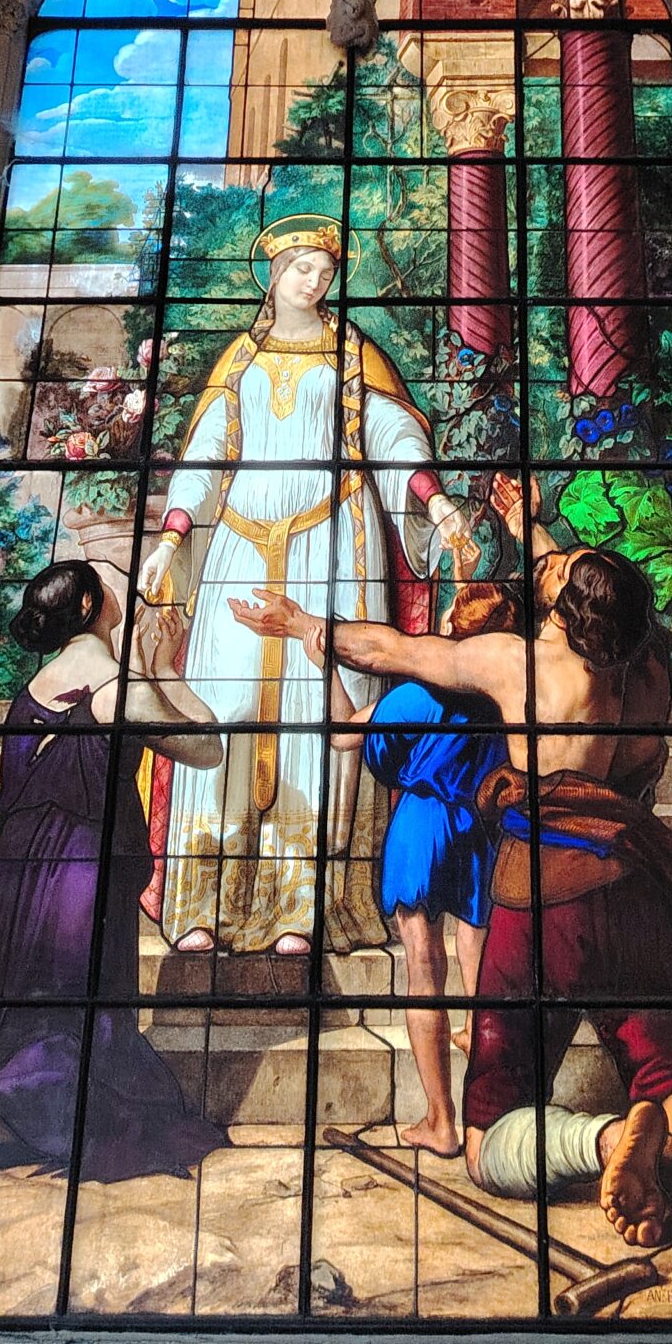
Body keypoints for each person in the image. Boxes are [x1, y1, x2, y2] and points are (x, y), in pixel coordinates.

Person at [230, 541, 672, 1275]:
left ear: (564, 606)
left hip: (546, 895)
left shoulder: (516, 663)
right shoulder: (646, 675)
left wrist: (304, 626)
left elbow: (392, 650)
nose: (547, 560)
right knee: (670, 1077)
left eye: (558, 564)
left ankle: (605, 1141)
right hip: (634, 891)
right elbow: (595, 587)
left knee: (487, 1141)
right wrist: (537, 533)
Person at [135, 216, 475, 958]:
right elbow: (205, 458)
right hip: (238, 550)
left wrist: (436, 500)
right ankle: (207, 902)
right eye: (301, 268)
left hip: (332, 547)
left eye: (324, 271)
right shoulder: (239, 359)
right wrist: (171, 539)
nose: (315, 281)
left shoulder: (353, 355)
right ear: (273, 272)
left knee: (315, 718)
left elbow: (393, 439)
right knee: (221, 707)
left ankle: (304, 907)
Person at [0, 561, 224, 1199]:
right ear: (88, 606)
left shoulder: (33, 689)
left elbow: (12, 800)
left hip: (6, 881)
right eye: (114, 584)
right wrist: (163, 669)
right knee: (67, 1021)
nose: (127, 593)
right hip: (79, 882)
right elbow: (209, 747)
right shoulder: (115, 688)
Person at [326, 581, 521, 1157]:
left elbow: (346, 737)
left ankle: (441, 1121)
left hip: (420, 828)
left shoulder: (415, 696)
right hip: (480, 825)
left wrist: (325, 670)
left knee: (423, 969)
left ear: (453, 628)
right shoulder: (505, 699)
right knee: (477, 955)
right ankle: (488, 1103)